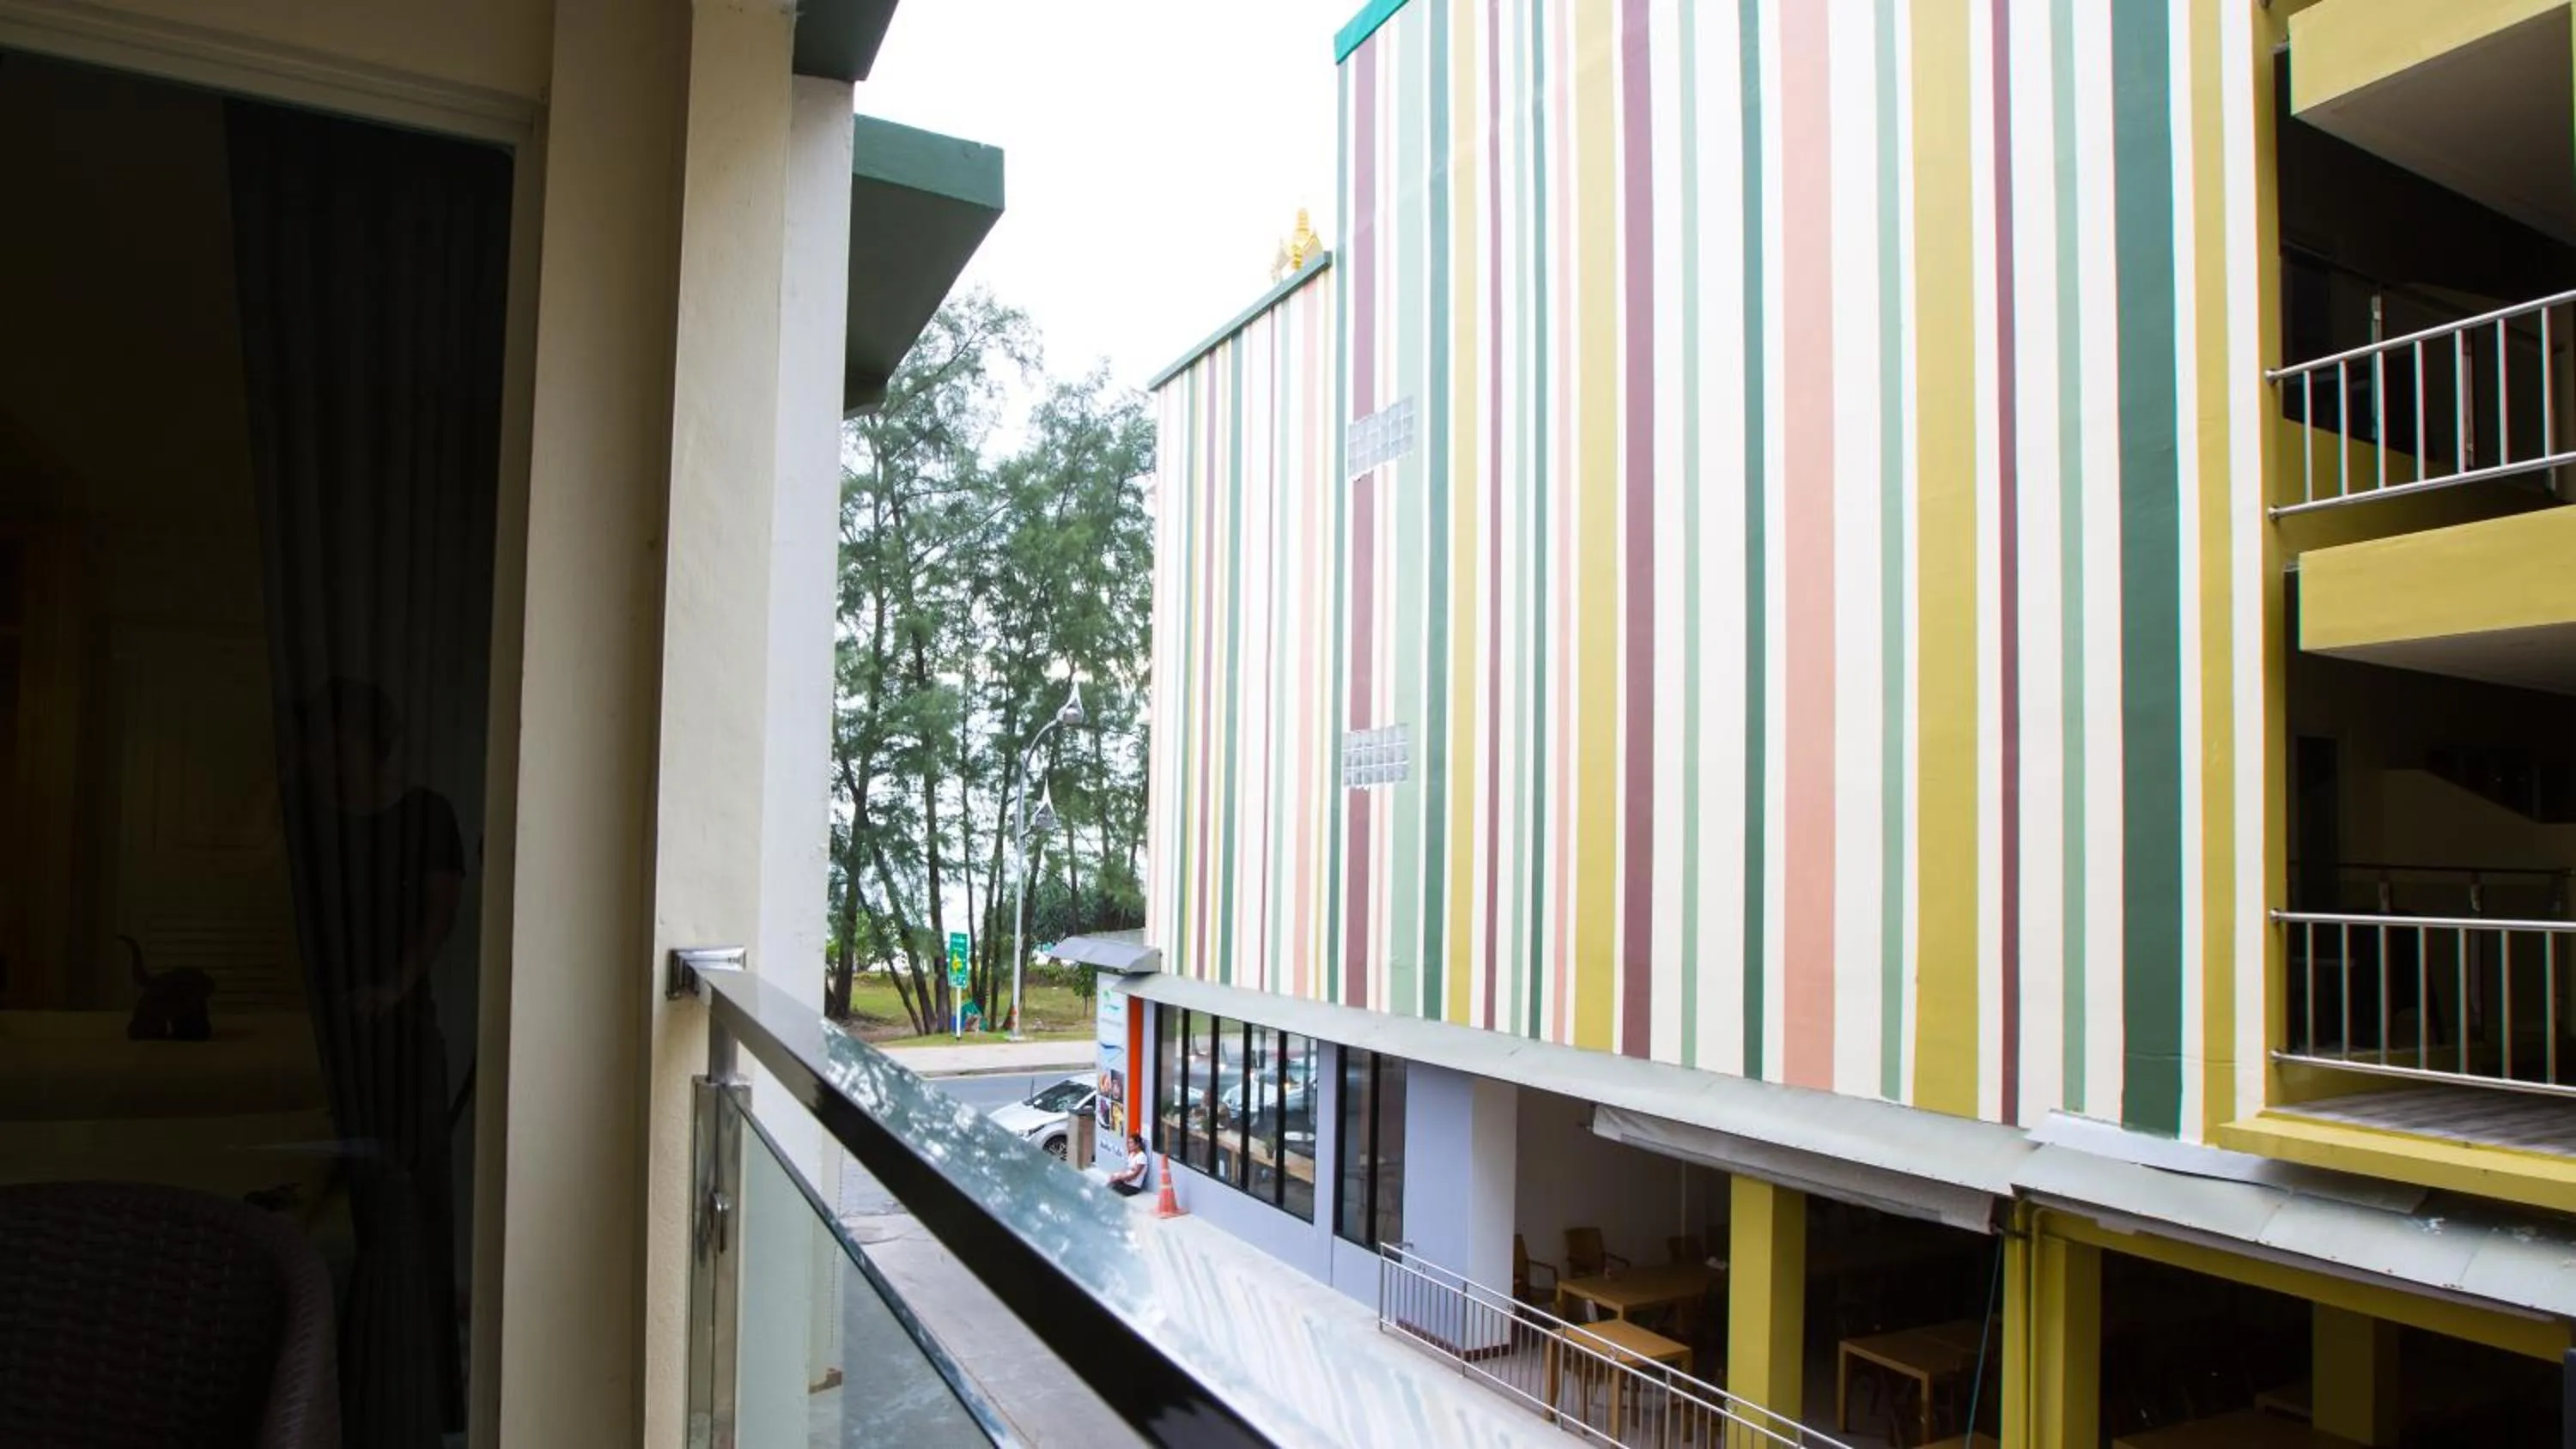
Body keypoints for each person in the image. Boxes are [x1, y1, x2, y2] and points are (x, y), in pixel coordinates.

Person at [289, 678, 468, 1447]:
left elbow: (440, 915)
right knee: (333, 1197)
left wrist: (391, 991)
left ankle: (417, 1386)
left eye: (342, 737)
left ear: (373, 739)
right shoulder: (306, 817)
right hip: (321, 1032)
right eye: (320, 739)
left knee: (411, 1194)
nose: (330, 753)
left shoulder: (427, 815)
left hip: (396, 1035)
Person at [1109, 1133, 1151, 1197]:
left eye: (1131, 1143)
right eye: (1128, 1143)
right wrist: (1116, 1175)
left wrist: (1120, 1177)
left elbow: (1134, 1175)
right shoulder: (1131, 1155)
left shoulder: (1142, 1157)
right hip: (1125, 1182)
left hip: (1132, 1187)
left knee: (1111, 1193)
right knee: (1108, 1186)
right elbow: (1126, 1170)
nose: (1128, 1145)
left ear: (1137, 1145)